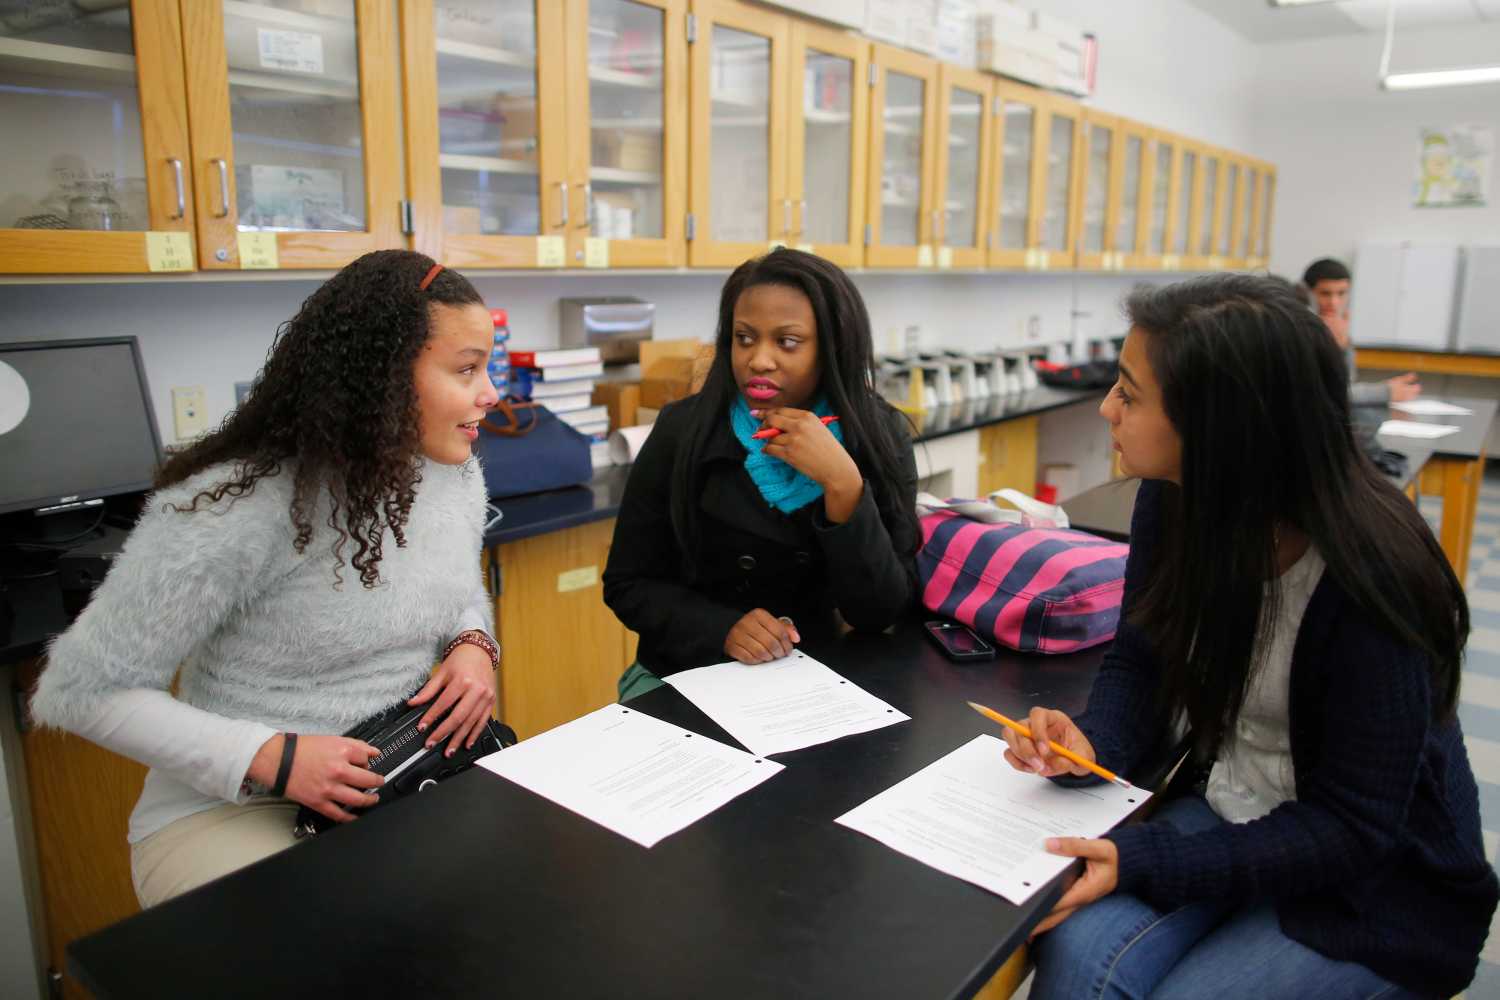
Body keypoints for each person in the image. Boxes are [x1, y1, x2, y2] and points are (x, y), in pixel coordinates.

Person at [1005, 274, 1496, 998]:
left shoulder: (1373, 574)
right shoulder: (1175, 504)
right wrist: (1092, 742)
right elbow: (1139, 659)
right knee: (1076, 955)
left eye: (1131, 394)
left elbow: (1353, 827)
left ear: (1220, 428)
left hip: (1374, 880)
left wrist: (1148, 860)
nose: (1107, 408)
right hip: (1238, 803)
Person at [28, 250, 503, 906]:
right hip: (237, 810)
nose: (491, 393)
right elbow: (77, 692)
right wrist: (273, 757)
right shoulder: (237, 502)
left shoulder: (452, 472)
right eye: (467, 369)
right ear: (383, 376)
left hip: (396, 776)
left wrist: (473, 644)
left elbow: (454, 583)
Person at [603, 248, 919, 697]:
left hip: (818, 682)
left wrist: (843, 485)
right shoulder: (684, 429)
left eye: (787, 342)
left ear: (833, 347)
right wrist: (721, 629)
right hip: (688, 673)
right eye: (745, 338)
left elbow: (881, 611)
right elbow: (628, 583)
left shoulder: (877, 434)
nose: (759, 360)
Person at [1302, 257, 1420, 404]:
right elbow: (1324, 394)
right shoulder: (1295, 330)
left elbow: (1345, 384)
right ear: (1308, 293)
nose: (1334, 302)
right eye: (1325, 294)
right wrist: (1386, 392)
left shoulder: (1337, 328)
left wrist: (1341, 346)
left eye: (1341, 293)